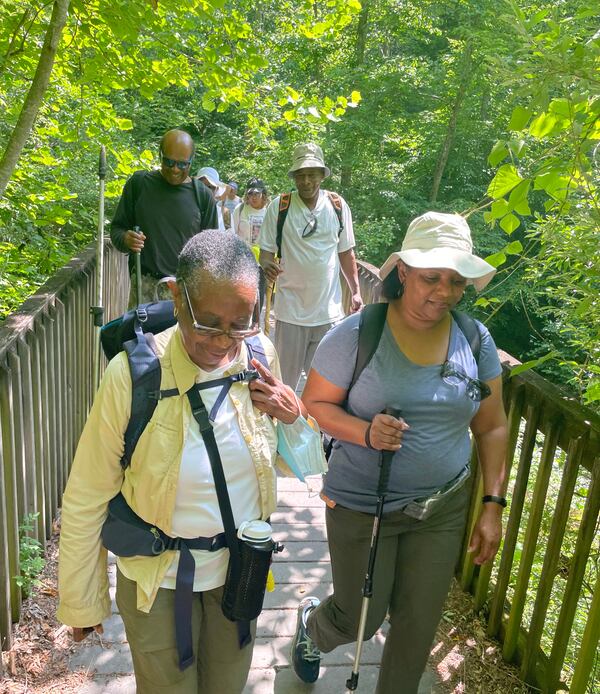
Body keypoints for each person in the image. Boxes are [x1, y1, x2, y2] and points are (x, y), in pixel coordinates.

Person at [57, 230, 325, 694]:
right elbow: (87, 491)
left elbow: (302, 466)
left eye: (241, 323)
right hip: (156, 578)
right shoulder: (133, 376)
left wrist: (295, 417)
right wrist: (83, 601)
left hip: (239, 569)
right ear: (177, 298)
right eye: (208, 322)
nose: (224, 341)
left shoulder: (259, 354)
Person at [291, 212, 509, 693]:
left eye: (456, 281)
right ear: (404, 271)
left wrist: (492, 504)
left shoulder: (474, 339)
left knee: (416, 627)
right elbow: (314, 406)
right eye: (432, 277)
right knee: (359, 620)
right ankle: (314, 628)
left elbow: (492, 427)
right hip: (362, 504)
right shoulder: (356, 333)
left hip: (443, 507)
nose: (445, 292)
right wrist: (366, 432)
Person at [259, 142, 363, 391]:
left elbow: (346, 252)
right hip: (290, 312)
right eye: (301, 175)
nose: (306, 181)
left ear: (322, 175)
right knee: (284, 384)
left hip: (328, 314)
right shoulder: (279, 207)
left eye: (312, 174)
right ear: (294, 177)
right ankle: (284, 428)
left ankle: (317, 430)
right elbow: (265, 253)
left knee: (326, 387)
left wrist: (356, 291)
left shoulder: (337, 206)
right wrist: (266, 266)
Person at [110, 129, 218, 306]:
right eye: (168, 162)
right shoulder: (139, 185)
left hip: (185, 293)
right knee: (140, 335)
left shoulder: (203, 196)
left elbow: (212, 251)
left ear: (191, 161)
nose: (175, 169)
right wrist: (126, 239)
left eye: (182, 164)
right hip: (144, 290)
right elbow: (116, 230)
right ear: (160, 155)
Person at [232, 177, 269, 259]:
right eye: (250, 193)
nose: (254, 197)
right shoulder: (240, 209)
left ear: (263, 194)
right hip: (242, 257)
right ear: (247, 195)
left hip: (262, 257)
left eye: (257, 193)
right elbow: (232, 232)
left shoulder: (269, 211)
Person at [196, 166, 227, 231]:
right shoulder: (186, 208)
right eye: (202, 185)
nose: (206, 190)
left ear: (216, 190)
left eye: (210, 187)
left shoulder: (223, 214)